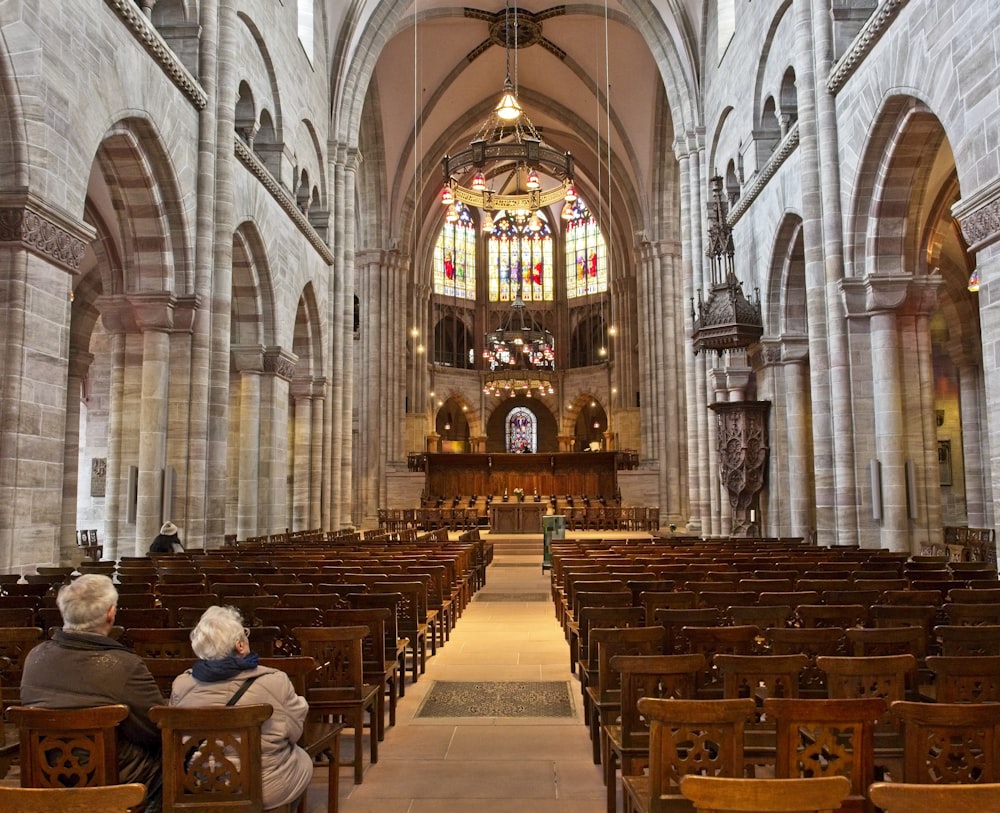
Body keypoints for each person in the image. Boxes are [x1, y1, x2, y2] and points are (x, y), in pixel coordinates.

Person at [20, 574, 164, 811]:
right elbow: (155, 729)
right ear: (110, 614)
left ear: (63, 611)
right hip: (112, 778)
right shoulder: (124, 665)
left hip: (46, 773)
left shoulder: (35, 657)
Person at [170, 605, 313, 810]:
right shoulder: (275, 681)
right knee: (302, 760)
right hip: (264, 787)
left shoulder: (181, 685)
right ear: (240, 645)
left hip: (201, 785)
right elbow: (295, 732)